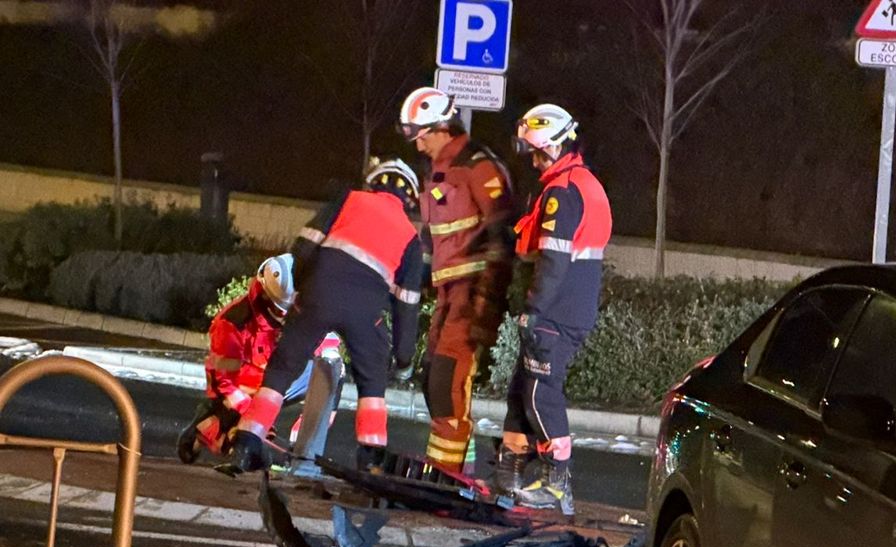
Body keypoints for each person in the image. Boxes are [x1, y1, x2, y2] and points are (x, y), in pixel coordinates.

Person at [225, 160, 426, 475]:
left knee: (282, 369)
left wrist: (299, 294)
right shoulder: (411, 238)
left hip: (318, 294)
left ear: (373, 182)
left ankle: (248, 440)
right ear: (410, 198)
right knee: (372, 383)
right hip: (366, 311)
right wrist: (403, 359)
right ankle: (371, 459)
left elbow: (304, 245)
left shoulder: (348, 200)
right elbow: (407, 305)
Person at [494, 103, 613, 516]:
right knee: (520, 391)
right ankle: (509, 474)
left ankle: (557, 481)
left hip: (557, 312)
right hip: (563, 308)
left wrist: (534, 309)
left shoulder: (563, 193)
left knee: (539, 392)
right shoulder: (575, 183)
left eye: (538, 152)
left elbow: (553, 260)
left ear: (555, 145)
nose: (533, 159)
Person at [399, 86, 516, 474]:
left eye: (423, 136)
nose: (419, 146)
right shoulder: (438, 174)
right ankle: (450, 466)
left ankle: (447, 478)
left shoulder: (478, 168)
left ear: (443, 127)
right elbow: (433, 245)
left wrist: (488, 305)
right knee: (431, 378)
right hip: (449, 295)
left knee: (448, 384)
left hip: (472, 293)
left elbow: (501, 238)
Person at [178, 254, 294, 464]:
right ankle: (211, 427)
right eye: (281, 311)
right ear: (266, 297)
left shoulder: (287, 313)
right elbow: (226, 381)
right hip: (238, 387)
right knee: (245, 440)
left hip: (266, 383)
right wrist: (252, 412)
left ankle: (230, 427)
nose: (286, 317)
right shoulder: (233, 323)